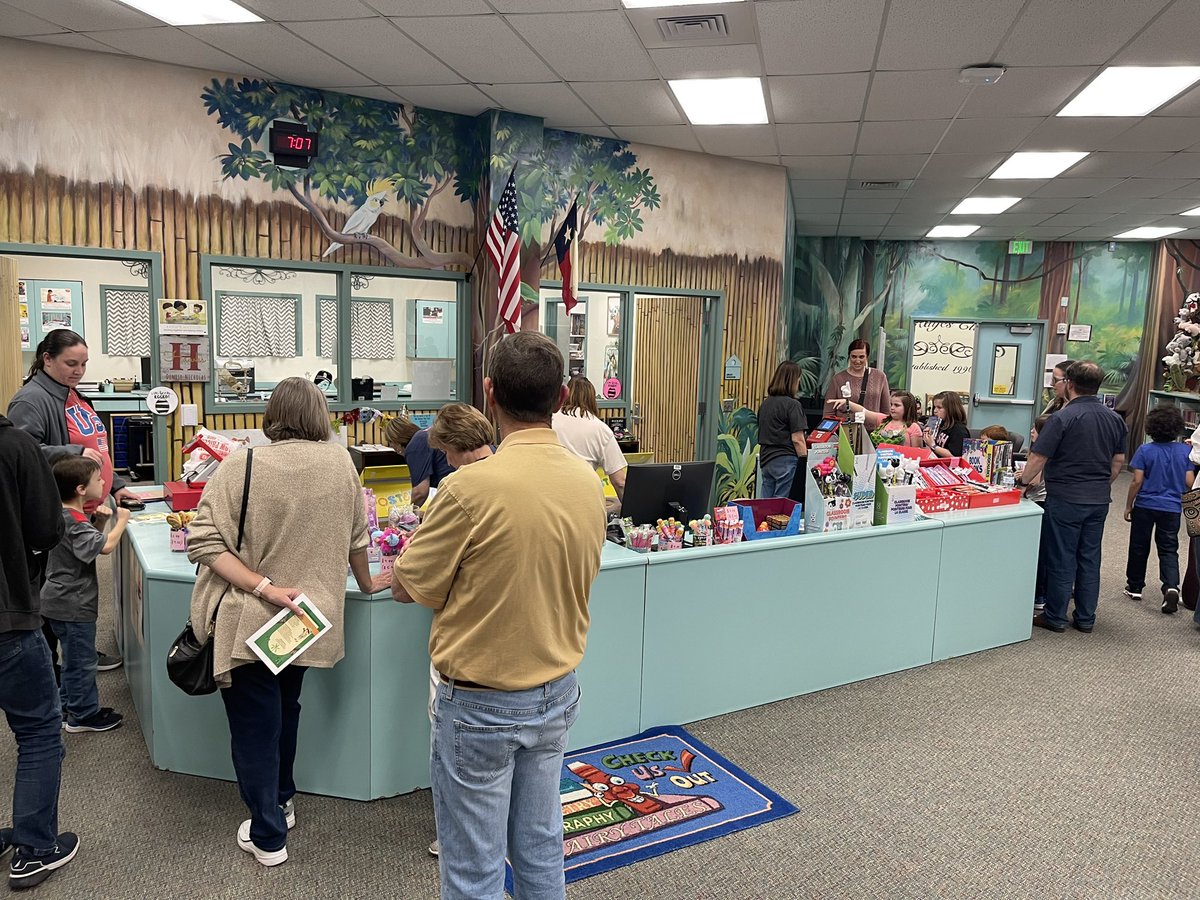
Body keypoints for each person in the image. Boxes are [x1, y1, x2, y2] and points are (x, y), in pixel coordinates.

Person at [392, 332, 606, 900]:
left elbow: (407, 587)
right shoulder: (589, 484)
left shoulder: (467, 490)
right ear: (561, 397)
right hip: (556, 690)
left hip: (481, 700)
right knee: (540, 849)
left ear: (489, 394)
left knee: (473, 867)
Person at [187, 378, 390, 868]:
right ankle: (281, 797)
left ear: (271, 414)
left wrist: (262, 586)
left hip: (250, 619)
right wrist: (367, 583)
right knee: (284, 709)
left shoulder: (243, 462)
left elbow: (203, 542)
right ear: (320, 414)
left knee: (255, 726)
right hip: (307, 621)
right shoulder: (342, 462)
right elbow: (357, 538)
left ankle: (268, 835)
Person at [8, 329, 135, 672]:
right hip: (54, 516)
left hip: (85, 508)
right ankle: (51, 672)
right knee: (57, 597)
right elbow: (23, 454)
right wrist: (74, 451)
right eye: (71, 363)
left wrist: (117, 483)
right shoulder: (31, 400)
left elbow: (99, 445)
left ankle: (80, 653)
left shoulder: (73, 393)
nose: (79, 370)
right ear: (47, 359)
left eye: (83, 364)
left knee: (76, 591)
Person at [0, 413, 78, 891]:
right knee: (38, 731)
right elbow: (47, 529)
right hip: (9, 615)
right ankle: (35, 848)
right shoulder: (14, 446)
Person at [421, 401, 497, 861]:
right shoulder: (520, 474)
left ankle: (456, 836)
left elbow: (418, 581)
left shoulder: (456, 489)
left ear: (455, 447)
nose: (445, 462)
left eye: (446, 452)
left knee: (453, 746)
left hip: (465, 645)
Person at [1017, 362, 1127, 634]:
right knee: (1089, 557)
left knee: (1062, 557)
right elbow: (1118, 462)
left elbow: (1038, 458)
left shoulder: (1062, 418)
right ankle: (1086, 618)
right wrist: (1100, 484)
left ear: (1070, 383)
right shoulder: (1114, 418)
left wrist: (1023, 481)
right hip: (1099, 499)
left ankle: (1055, 617)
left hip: (1065, 497)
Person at [43, 456, 130, 734]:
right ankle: (83, 715)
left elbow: (84, 548)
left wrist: (101, 522)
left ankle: (69, 705)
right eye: (98, 479)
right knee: (82, 663)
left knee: (71, 659)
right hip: (73, 604)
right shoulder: (74, 522)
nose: (104, 482)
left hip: (58, 600)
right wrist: (121, 521)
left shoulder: (67, 515)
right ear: (81, 489)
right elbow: (105, 547)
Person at [1123, 407, 1193, 614]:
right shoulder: (1185, 452)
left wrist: (1128, 505)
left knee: (1138, 545)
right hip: (1171, 508)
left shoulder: (1145, 450)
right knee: (1169, 548)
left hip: (1145, 505)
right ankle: (1171, 586)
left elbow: (1136, 481)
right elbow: (1189, 481)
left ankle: (1135, 586)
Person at [552, 377, 628, 511]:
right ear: (592, 398)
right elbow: (619, 481)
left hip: (549, 499)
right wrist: (631, 510)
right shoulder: (600, 429)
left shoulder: (549, 420)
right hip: (582, 503)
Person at [757, 361, 809, 498]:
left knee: (766, 504)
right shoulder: (793, 405)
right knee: (782, 508)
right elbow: (798, 439)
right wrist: (805, 463)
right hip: (786, 459)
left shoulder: (766, 404)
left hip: (766, 459)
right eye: (798, 380)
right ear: (793, 381)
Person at [384, 415, 454, 508]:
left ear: (396, 441)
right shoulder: (423, 435)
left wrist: (408, 514)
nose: (392, 447)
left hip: (454, 488)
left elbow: (420, 492)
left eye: (390, 443)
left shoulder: (415, 446)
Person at [824, 339, 891, 416]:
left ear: (867, 357)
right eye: (854, 357)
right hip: (846, 426)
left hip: (873, 427)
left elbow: (886, 411)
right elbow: (828, 412)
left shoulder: (879, 377)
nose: (857, 360)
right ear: (849, 356)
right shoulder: (838, 379)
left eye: (861, 357)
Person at [839, 390, 922, 447]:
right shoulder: (883, 420)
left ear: (908, 408)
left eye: (896, 405)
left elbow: (917, 454)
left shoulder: (914, 427)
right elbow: (864, 411)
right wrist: (846, 402)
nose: (892, 408)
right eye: (891, 404)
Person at [1025, 415, 1049, 614]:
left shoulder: (1043, 455)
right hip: (1034, 500)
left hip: (1039, 502)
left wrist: (1021, 477)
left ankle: (1039, 595)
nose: (1031, 432)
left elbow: (1034, 480)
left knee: (1040, 551)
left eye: (1036, 429)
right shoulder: (1032, 451)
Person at [923, 391, 970, 458]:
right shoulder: (941, 424)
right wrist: (929, 436)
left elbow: (955, 456)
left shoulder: (959, 430)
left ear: (951, 409)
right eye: (935, 407)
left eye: (939, 407)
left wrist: (933, 446)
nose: (935, 411)